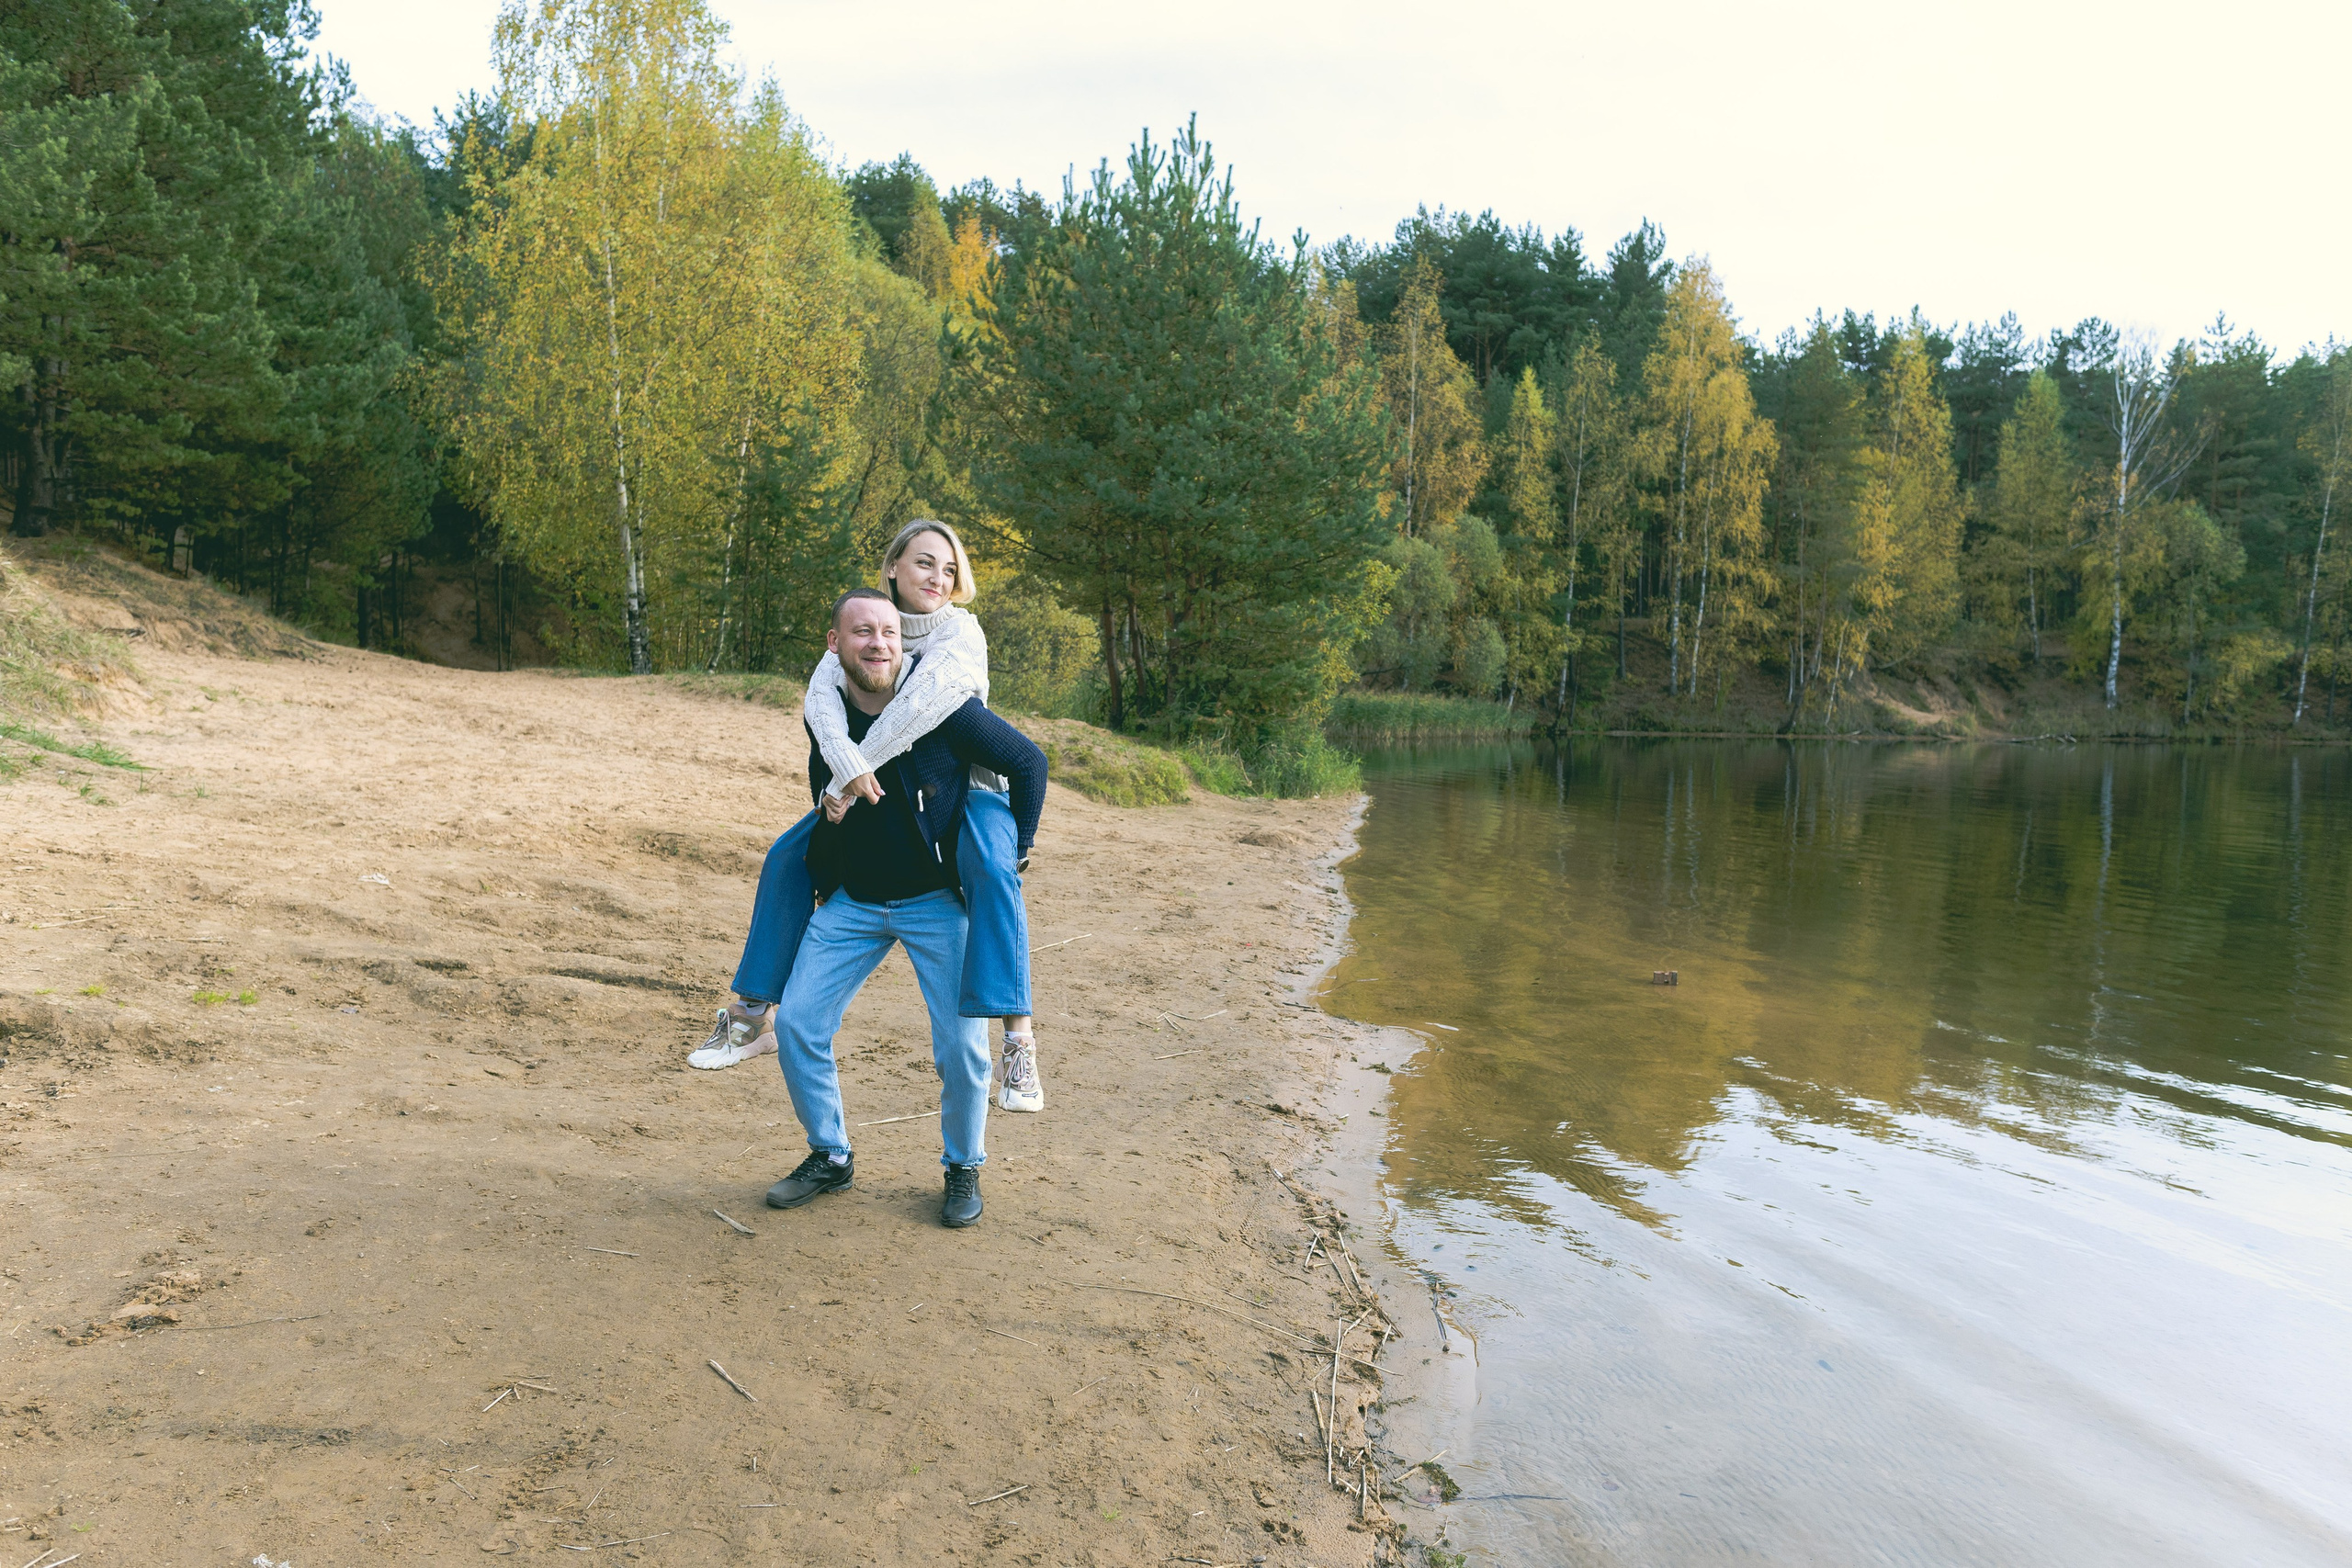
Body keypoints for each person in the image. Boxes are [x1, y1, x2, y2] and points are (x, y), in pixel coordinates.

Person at [689, 519, 1045, 1113]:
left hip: (968, 786)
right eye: (925, 563)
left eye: (949, 569)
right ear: (893, 567)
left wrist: (1021, 844)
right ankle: (752, 1013)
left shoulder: (957, 635)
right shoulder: (863, 625)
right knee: (786, 856)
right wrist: (833, 790)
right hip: (870, 789)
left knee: (993, 865)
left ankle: (1019, 1039)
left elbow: (916, 711)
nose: (937, 578)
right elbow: (821, 708)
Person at [759, 586, 1046, 1227]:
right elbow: (827, 806)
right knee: (798, 1024)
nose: (878, 644)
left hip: (935, 903)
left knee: (963, 1050)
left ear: (904, 641)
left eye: (889, 632)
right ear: (835, 644)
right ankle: (830, 1155)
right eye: (862, 632)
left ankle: (962, 1165)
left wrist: (1014, 851)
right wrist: (829, 815)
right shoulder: (827, 718)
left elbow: (1030, 762)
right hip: (855, 903)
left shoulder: (942, 707)